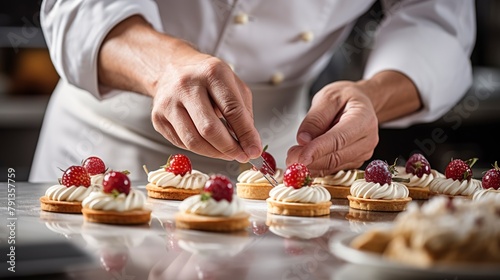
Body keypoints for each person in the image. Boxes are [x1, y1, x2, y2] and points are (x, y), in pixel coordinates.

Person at [29, 0, 476, 182]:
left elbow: (436, 20)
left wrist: (372, 95)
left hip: (280, 158)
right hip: (107, 147)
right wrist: (166, 65)